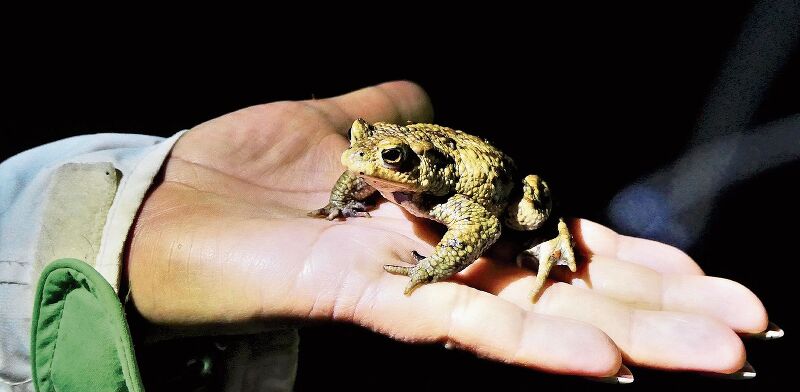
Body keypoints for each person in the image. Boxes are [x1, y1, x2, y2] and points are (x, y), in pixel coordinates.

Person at [0, 81, 779, 391]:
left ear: (417, 165)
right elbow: (360, 164)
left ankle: (556, 247)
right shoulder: (377, 163)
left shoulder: (447, 197)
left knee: (534, 217)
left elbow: (477, 226)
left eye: (387, 159)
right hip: (440, 164)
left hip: (498, 186)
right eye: (367, 148)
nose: (365, 162)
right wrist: (346, 194)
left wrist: (433, 269)